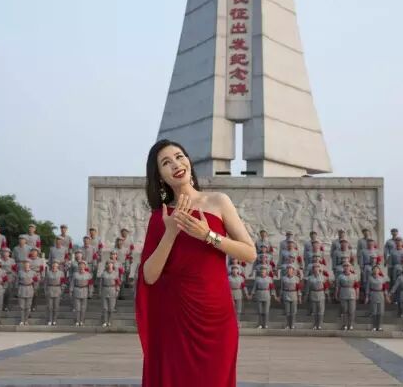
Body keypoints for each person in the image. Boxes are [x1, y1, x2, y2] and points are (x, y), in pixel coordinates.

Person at [135, 139, 256, 387]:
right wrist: (170, 232)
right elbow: (149, 275)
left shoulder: (218, 202)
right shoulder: (161, 217)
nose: (176, 165)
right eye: (166, 163)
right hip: (175, 319)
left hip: (216, 316)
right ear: (160, 176)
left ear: (189, 161)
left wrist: (207, 235)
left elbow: (249, 253)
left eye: (179, 157)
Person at [304, 263, 330, 330]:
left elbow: (326, 287)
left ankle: (320, 324)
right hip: (313, 293)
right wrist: (306, 295)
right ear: (312, 269)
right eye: (314, 268)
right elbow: (307, 288)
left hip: (321, 294)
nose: (316, 269)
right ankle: (315, 324)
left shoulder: (323, 277)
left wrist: (328, 295)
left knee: (321, 311)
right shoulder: (309, 278)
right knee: (314, 311)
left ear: (319, 269)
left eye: (317, 267)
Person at [365, 264, 389, 331]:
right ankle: (374, 326)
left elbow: (385, 288)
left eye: (377, 269)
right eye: (374, 269)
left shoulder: (382, 278)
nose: (376, 270)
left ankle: (379, 326)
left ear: (379, 271)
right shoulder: (370, 278)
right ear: (372, 271)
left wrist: (386, 296)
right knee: (374, 312)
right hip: (373, 294)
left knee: (380, 312)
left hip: (380, 294)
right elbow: (367, 288)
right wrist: (367, 296)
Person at [335, 261, 359, 330]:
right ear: (343, 267)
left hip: (352, 293)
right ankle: (344, 324)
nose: (346, 267)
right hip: (343, 292)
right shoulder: (340, 276)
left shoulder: (354, 276)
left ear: (350, 267)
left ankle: (351, 324)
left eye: (348, 266)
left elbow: (357, 286)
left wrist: (357, 294)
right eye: (345, 266)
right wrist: (336, 294)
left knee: (351, 310)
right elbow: (337, 286)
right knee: (344, 310)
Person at [71, 260, 93, 326]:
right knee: (77, 308)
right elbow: (72, 283)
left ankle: (82, 320)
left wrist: (90, 292)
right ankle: (77, 320)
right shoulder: (75, 274)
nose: (81, 266)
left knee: (83, 308)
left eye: (83, 265)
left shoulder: (88, 275)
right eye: (80, 265)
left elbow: (90, 285)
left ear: (85, 266)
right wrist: (71, 290)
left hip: (84, 290)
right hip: (77, 290)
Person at [17, 259, 39, 325]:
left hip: (30, 289)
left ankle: (26, 320)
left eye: (27, 264)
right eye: (25, 264)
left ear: (29, 265)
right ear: (23, 265)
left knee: (28, 306)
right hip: (22, 289)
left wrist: (35, 289)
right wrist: (18, 289)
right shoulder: (20, 272)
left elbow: (36, 281)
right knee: (22, 307)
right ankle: (22, 320)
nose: (26, 265)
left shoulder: (33, 273)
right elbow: (17, 281)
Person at [280, 265, 302, 329]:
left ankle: (292, 324)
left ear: (293, 270)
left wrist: (299, 297)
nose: (289, 271)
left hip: (294, 295)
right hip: (286, 294)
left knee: (293, 312)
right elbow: (282, 288)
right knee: (287, 312)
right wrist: (280, 296)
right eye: (288, 269)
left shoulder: (296, 279)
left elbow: (298, 289)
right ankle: (287, 324)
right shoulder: (283, 278)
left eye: (290, 269)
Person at [44, 260, 66, 326]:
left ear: (58, 267)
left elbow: (63, 283)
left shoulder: (61, 273)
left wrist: (62, 290)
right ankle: (50, 320)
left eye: (56, 266)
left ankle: (54, 320)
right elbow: (45, 282)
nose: (54, 267)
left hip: (57, 289)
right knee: (49, 307)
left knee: (56, 307)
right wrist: (45, 291)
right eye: (53, 266)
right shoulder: (48, 273)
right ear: (51, 266)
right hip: (50, 289)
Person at [100, 260, 121, 327]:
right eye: (108, 264)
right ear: (106, 265)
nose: (109, 265)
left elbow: (118, 283)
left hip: (112, 290)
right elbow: (101, 284)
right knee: (105, 308)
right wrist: (100, 291)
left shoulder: (115, 274)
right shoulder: (103, 274)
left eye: (111, 264)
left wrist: (117, 290)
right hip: (105, 290)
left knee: (111, 308)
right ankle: (105, 321)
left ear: (113, 265)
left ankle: (110, 321)